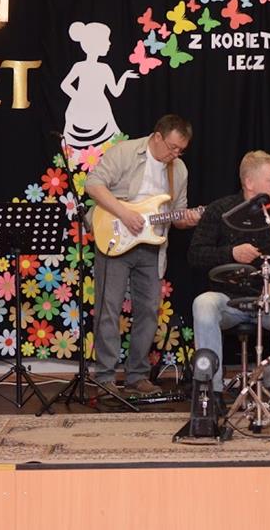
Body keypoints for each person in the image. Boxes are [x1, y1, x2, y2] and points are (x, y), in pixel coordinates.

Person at [84, 114, 200, 395]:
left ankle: (137, 375)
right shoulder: (125, 152)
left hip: (151, 245)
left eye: (181, 150)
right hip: (114, 237)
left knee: (148, 311)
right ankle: (105, 377)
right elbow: (93, 184)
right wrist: (124, 213)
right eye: (172, 147)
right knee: (109, 308)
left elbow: (178, 214)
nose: (175, 154)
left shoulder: (179, 170)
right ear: (157, 137)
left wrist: (188, 219)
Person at [188, 150, 270, 402]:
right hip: (228, 300)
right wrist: (231, 252)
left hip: (269, 302)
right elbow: (195, 255)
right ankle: (211, 393)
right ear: (249, 182)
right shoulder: (219, 210)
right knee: (203, 303)